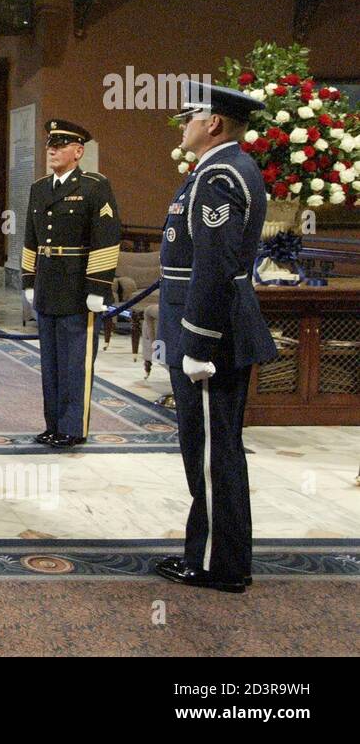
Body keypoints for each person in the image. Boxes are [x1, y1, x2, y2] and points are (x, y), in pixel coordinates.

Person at [155, 82, 277, 593]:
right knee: (215, 448)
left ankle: (214, 563)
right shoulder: (221, 169)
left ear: (214, 124)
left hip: (210, 331)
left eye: (190, 115)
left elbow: (214, 265)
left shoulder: (220, 174)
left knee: (209, 451)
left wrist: (199, 344)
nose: (182, 123)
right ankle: (222, 555)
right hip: (207, 325)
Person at [21, 120, 121, 448]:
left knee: (75, 363)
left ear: (78, 152)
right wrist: (29, 278)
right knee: (50, 362)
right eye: (51, 143)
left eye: (61, 144)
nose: (52, 149)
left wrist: (98, 287)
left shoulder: (94, 186)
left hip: (77, 286)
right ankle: (53, 424)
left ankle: (73, 428)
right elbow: (31, 237)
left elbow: (105, 239)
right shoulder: (39, 188)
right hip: (48, 283)